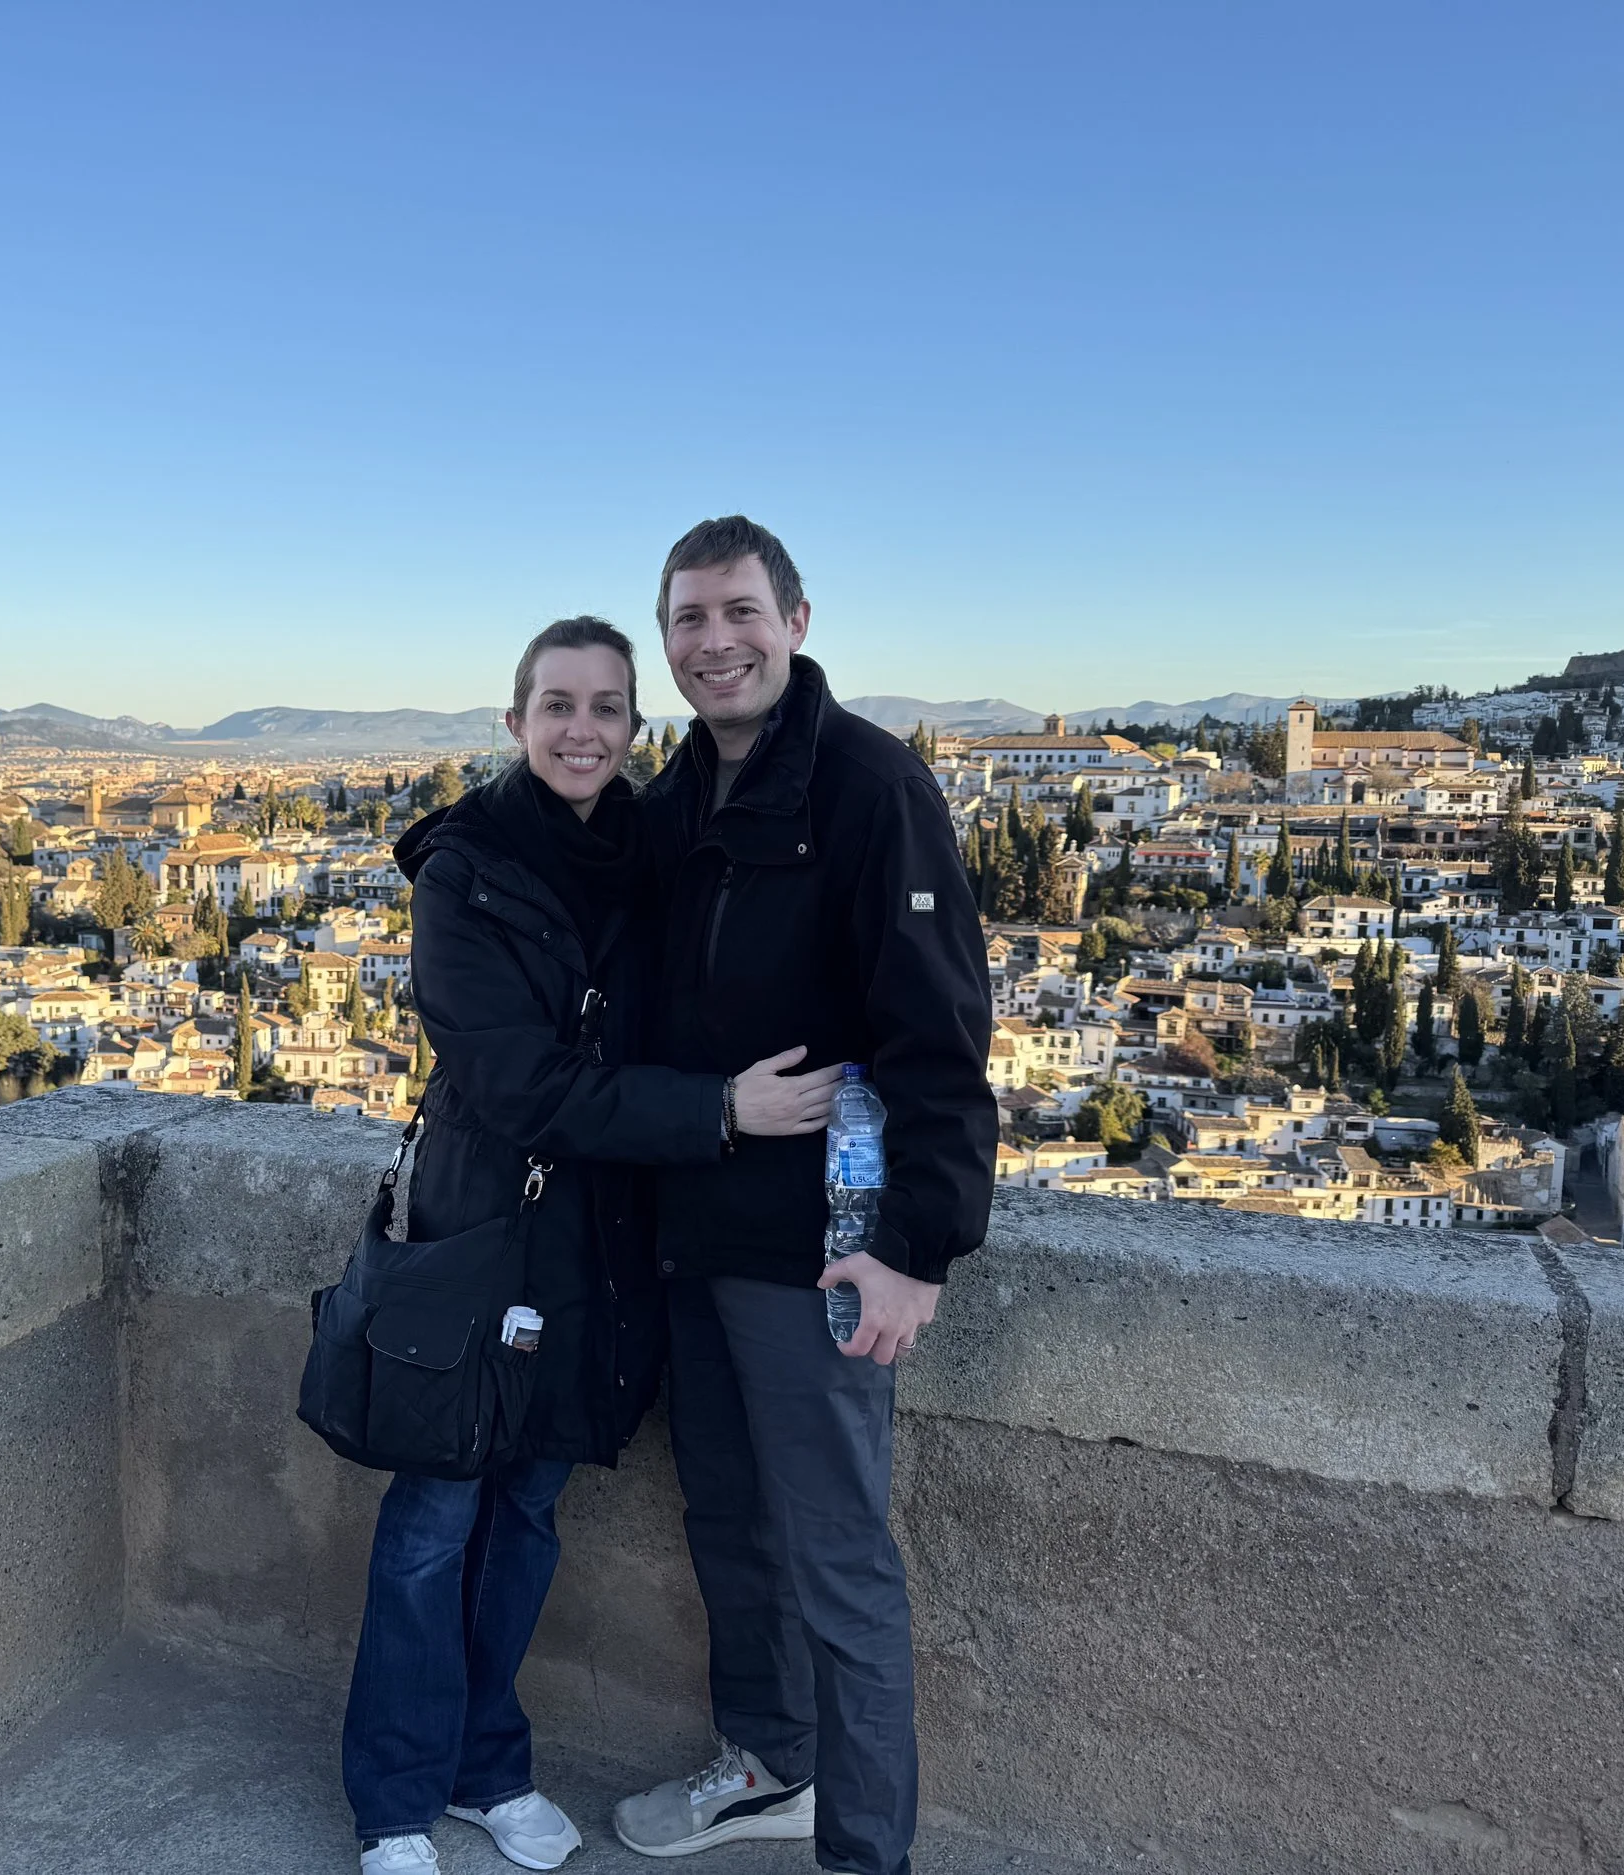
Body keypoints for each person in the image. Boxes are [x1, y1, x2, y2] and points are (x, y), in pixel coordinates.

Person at [347, 615, 845, 1875]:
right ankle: (396, 1798)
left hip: (600, 1244)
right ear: (514, 723)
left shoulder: (652, 856)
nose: (582, 730)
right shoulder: (462, 869)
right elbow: (515, 1083)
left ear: (636, 729)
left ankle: (486, 1766)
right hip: (481, 1232)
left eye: (607, 708)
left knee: (524, 1512)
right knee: (434, 1517)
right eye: (557, 706)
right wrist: (715, 1112)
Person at [614, 519, 996, 1875]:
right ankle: (771, 1761)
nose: (713, 642)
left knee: (838, 1557)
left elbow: (942, 1034)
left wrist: (914, 1248)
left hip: (820, 1252)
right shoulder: (679, 796)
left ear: (797, 618)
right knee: (726, 1518)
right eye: (688, 619)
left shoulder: (870, 786)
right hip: (695, 1229)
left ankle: (866, 1850)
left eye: (738, 612)